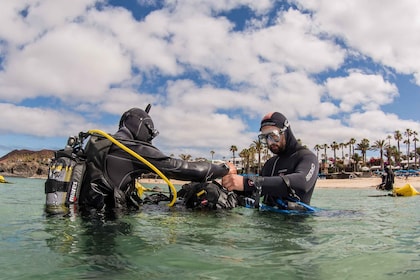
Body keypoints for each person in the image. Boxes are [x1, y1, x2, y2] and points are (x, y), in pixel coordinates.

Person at [78, 105, 230, 215]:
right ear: (144, 128)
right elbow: (185, 169)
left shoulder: (99, 144)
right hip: (105, 230)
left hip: (84, 216)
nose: (150, 139)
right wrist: (224, 169)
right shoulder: (129, 148)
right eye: (151, 133)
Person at [222, 112, 319, 210]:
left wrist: (248, 183)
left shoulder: (307, 157)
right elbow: (252, 192)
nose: (270, 142)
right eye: (265, 138)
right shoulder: (270, 163)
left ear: (286, 131)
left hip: (295, 223)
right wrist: (228, 184)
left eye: (273, 136)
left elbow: (302, 183)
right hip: (265, 222)